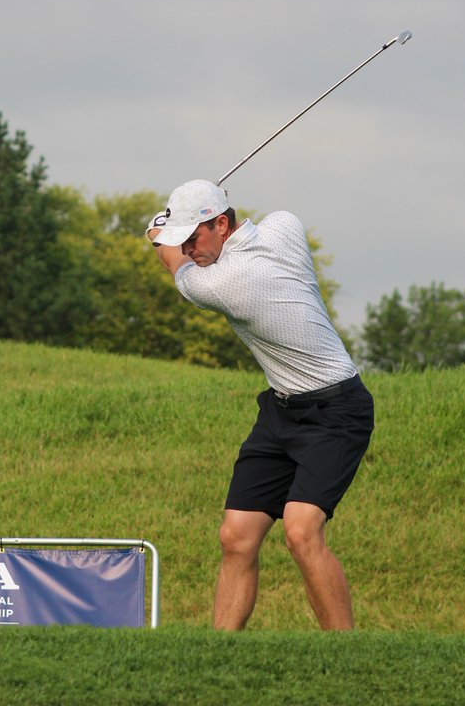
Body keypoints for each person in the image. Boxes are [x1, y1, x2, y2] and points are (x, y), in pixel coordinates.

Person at [146, 179, 373, 631]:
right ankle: (220, 654)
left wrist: (155, 232)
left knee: (301, 530)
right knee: (236, 536)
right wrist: (177, 222)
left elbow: (172, 265)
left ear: (222, 224)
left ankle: (348, 653)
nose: (188, 250)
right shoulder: (284, 230)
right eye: (183, 240)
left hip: (336, 411)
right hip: (281, 409)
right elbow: (277, 220)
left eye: (193, 238)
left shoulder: (230, 282)